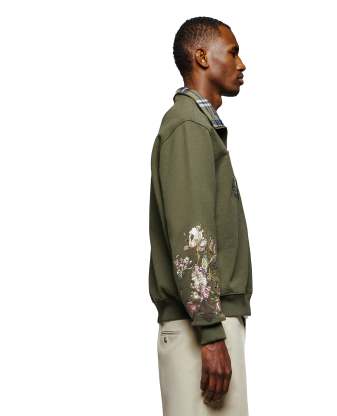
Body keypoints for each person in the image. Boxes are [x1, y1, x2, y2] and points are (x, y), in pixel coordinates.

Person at [148, 16, 253, 415]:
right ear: (202, 57)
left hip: (209, 323)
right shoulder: (189, 127)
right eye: (233, 52)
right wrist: (210, 334)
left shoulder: (198, 126)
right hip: (203, 327)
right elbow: (192, 234)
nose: (241, 64)